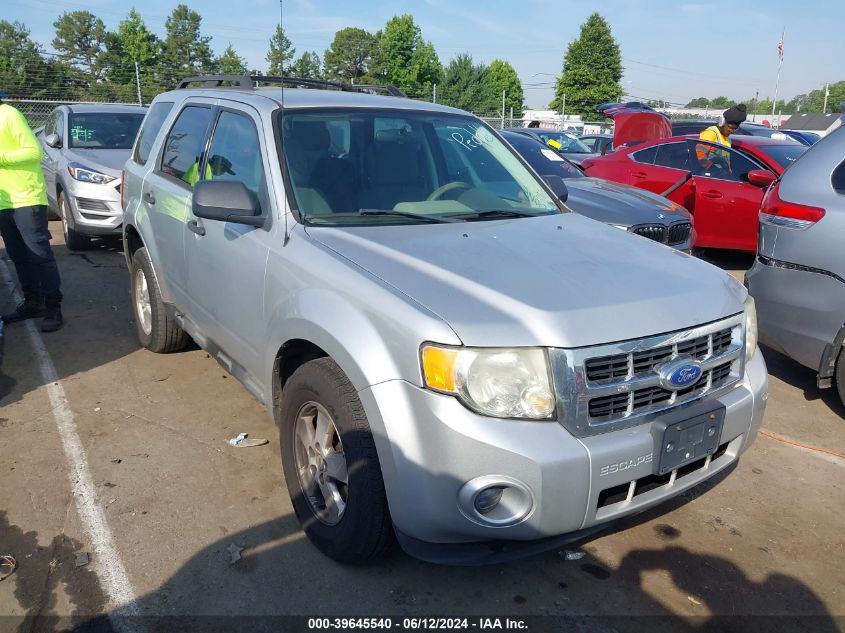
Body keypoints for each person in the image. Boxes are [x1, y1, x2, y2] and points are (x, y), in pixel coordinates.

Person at [0, 95, 63, 332]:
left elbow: (33, 152)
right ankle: (33, 303)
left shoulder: (8, 115)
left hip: (26, 197)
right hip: (3, 203)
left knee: (39, 255)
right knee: (18, 255)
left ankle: (53, 307)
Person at [696, 103, 747, 171]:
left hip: (722, 176)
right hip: (709, 175)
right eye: (730, 127)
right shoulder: (711, 133)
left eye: (735, 129)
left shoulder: (727, 139)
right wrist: (713, 167)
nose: (732, 131)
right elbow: (700, 157)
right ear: (722, 122)